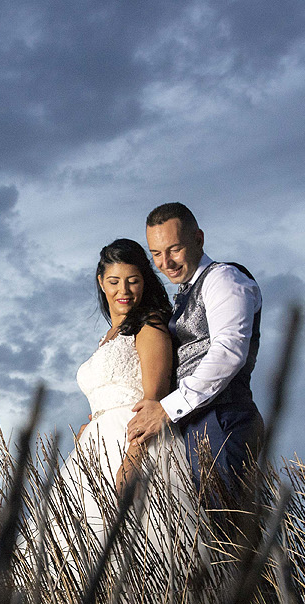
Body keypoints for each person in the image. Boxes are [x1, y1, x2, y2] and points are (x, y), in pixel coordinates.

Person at [126, 203, 263, 512]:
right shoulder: (185, 291)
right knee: (216, 535)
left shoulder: (224, 278)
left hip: (224, 420)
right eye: (156, 254)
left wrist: (165, 409)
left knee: (232, 532)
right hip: (197, 425)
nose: (166, 263)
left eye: (174, 249)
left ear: (199, 239)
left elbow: (229, 352)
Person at [58, 238, 186, 546]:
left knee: (139, 538)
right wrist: (95, 422)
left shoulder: (150, 325)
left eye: (133, 281)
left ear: (145, 282)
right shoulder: (108, 337)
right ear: (101, 282)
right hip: (96, 445)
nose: (123, 291)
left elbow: (154, 400)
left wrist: (133, 459)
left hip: (135, 441)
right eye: (114, 281)